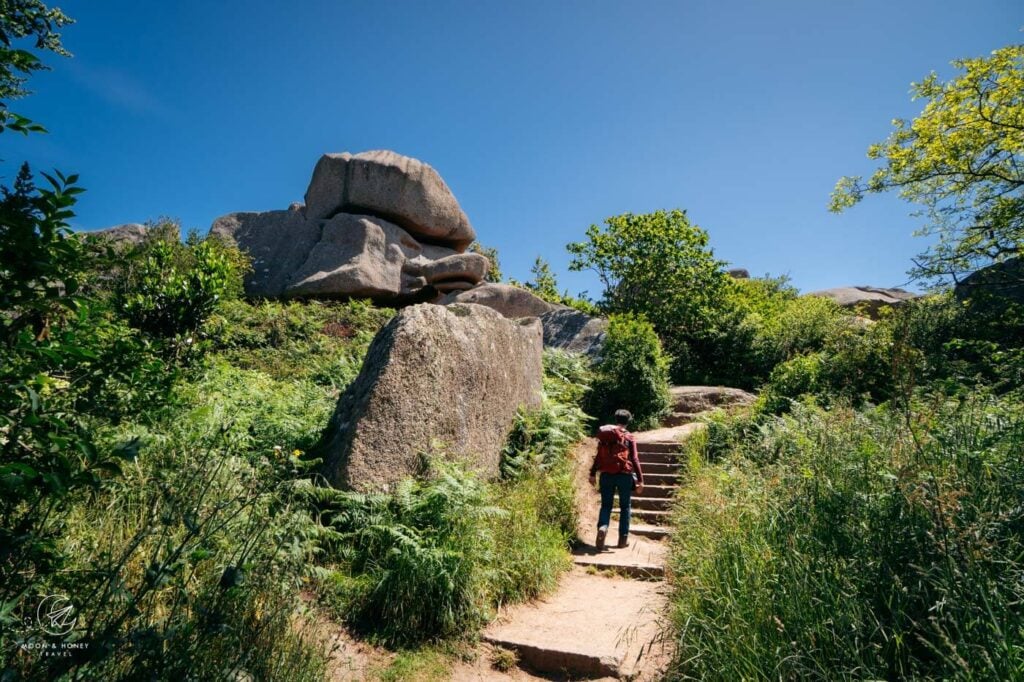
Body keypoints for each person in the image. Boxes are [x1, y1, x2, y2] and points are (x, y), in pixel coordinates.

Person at [588, 409, 644, 550]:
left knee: (606, 505)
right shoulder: (629, 437)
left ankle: (603, 527)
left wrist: (593, 473)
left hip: (606, 475)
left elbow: (599, 456)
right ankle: (622, 540)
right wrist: (640, 480)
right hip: (624, 475)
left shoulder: (606, 436)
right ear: (628, 421)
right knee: (625, 507)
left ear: (616, 419)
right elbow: (635, 459)